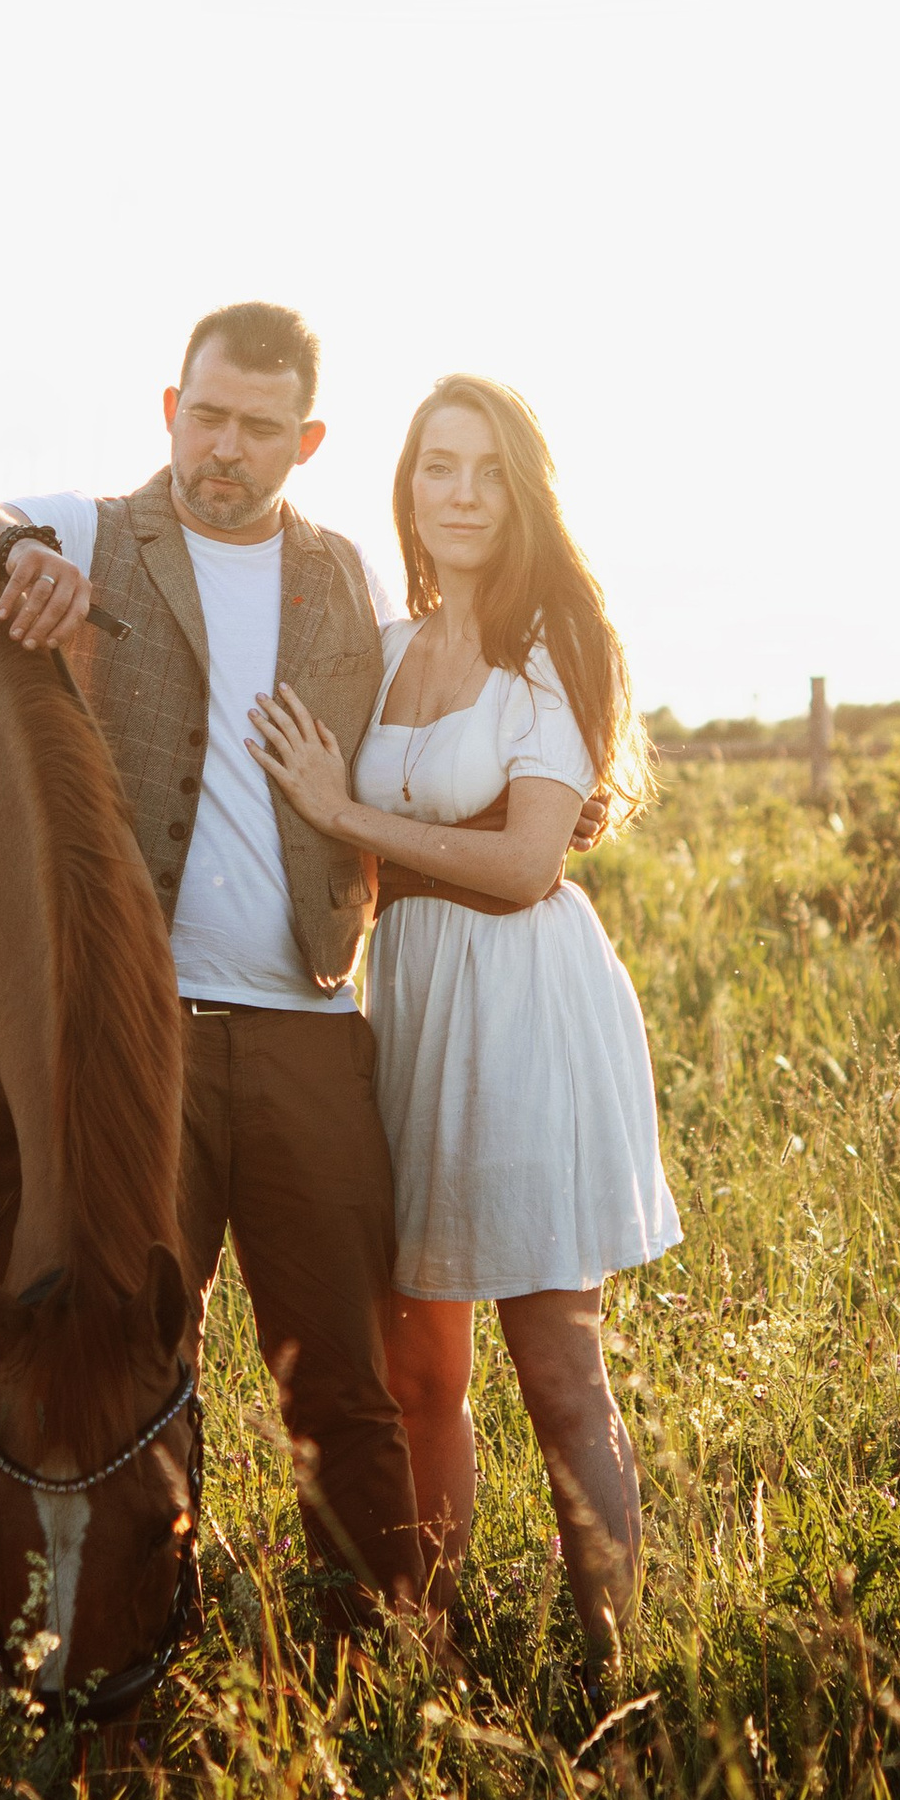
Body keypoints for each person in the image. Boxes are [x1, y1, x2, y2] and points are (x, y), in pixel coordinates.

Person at [0, 301, 426, 1625]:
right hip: (140, 1038)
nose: (225, 449)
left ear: (308, 440)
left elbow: (427, 727)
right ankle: (134, 1637)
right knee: (134, 1362)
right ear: (169, 411)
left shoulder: (353, 580)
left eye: (259, 427)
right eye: (207, 417)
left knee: (343, 1376)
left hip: (313, 1023)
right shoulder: (93, 533)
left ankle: (372, 1656)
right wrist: (18, 552)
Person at [245, 373, 680, 1689]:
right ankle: (423, 1655)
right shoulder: (386, 650)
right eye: (439, 466)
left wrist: (343, 814)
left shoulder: (557, 647)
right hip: (411, 1009)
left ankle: (615, 1672)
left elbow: (528, 860)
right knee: (419, 1369)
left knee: (556, 1366)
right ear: (408, 487)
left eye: (490, 470)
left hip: (527, 1004)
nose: (463, 495)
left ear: (525, 491)